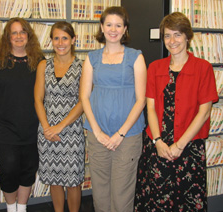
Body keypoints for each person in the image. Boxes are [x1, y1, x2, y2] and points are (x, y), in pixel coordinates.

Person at [134, 12, 219, 212]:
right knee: (156, 199)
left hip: (188, 147)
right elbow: (151, 108)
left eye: (177, 34)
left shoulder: (203, 68)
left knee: (186, 202)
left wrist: (179, 145)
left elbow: (204, 112)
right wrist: (158, 141)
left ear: (187, 37)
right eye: (167, 35)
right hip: (158, 146)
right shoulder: (155, 67)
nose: (172, 41)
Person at [80, 6, 147, 212]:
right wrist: (97, 131)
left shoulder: (136, 57)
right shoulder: (91, 58)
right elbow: (84, 96)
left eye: (118, 25)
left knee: (122, 192)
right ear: (102, 27)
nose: (113, 29)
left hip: (127, 135)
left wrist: (120, 133)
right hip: (97, 135)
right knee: (100, 190)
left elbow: (141, 99)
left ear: (125, 29)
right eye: (109, 24)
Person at [0, 18, 44, 212]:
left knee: (29, 169)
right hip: (5, 130)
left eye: (23, 32)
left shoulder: (39, 61)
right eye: (14, 33)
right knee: (9, 170)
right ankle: (10, 207)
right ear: (8, 37)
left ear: (28, 36)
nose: (19, 36)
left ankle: (21, 208)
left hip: (32, 128)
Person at [34, 21, 85, 212]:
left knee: (73, 181)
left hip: (71, 132)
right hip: (46, 131)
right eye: (56, 38)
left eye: (65, 38)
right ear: (51, 41)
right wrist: (47, 128)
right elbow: (38, 100)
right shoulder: (43, 65)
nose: (60, 42)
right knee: (54, 179)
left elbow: (82, 102)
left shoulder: (83, 66)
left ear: (73, 40)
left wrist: (60, 127)